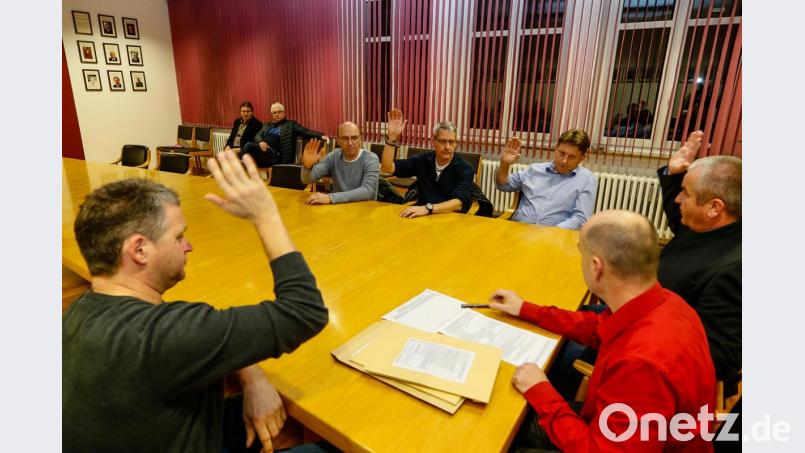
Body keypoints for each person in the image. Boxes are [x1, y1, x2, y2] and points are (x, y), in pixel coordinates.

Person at [63, 150, 329, 452]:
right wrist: (266, 215)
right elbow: (305, 311)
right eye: (178, 237)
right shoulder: (166, 336)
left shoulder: (78, 313)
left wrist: (252, 375)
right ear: (139, 250)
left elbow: (194, 338)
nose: (188, 246)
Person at [489, 210, 716, 451]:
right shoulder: (666, 302)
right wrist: (526, 309)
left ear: (596, 267)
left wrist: (540, 390)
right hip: (614, 424)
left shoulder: (641, 365)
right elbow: (597, 328)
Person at [658, 130, 742, 391]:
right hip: (644, 323)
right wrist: (674, 175)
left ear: (714, 207)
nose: (678, 199)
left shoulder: (735, 271)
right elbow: (679, 218)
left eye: (685, 192)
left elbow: (715, 357)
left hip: (657, 363)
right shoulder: (714, 227)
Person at [380, 108, 474, 218]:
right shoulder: (422, 160)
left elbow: (458, 202)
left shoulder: (465, 168)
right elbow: (387, 168)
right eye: (443, 141)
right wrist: (392, 137)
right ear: (433, 142)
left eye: (451, 142)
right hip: (423, 215)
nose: (447, 147)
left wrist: (428, 208)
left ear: (456, 144)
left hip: (450, 216)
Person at [495, 129, 597, 230]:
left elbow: (580, 219)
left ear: (582, 158)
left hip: (555, 237)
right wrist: (504, 164)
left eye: (572, 157)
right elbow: (503, 185)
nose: (564, 160)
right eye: (562, 153)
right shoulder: (534, 170)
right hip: (520, 230)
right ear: (556, 148)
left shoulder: (586, 179)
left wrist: (549, 232)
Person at [299, 122, 380, 205]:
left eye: (354, 138)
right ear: (338, 141)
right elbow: (307, 180)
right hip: (338, 208)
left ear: (360, 139)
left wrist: (331, 197)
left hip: (364, 209)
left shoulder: (371, 158)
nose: (350, 143)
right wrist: (307, 166)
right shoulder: (334, 156)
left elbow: (368, 191)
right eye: (345, 138)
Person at [241, 102, 329, 168]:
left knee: (249, 145)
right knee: (249, 150)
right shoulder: (267, 125)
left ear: (284, 113)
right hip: (264, 154)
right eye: (274, 113)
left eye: (279, 112)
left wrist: (321, 136)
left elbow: (305, 132)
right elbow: (257, 135)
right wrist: (261, 141)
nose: (276, 114)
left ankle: (237, 165)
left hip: (277, 156)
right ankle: (239, 167)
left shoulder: (290, 125)